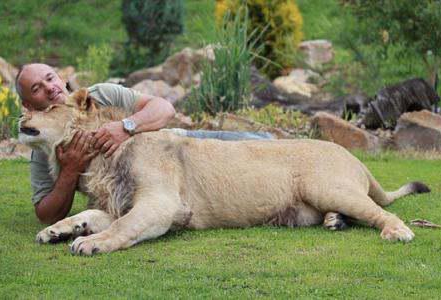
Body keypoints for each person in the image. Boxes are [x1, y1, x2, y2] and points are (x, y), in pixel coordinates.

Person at [17, 63, 272, 225]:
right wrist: (70, 170)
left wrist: (126, 126)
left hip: (179, 146)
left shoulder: (101, 94)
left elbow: (164, 108)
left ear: (61, 78)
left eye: (50, 78)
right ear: (28, 106)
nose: (50, 88)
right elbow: (46, 214)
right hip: (154, 184)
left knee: (267, 146)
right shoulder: (42, 140)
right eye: (37, 88)